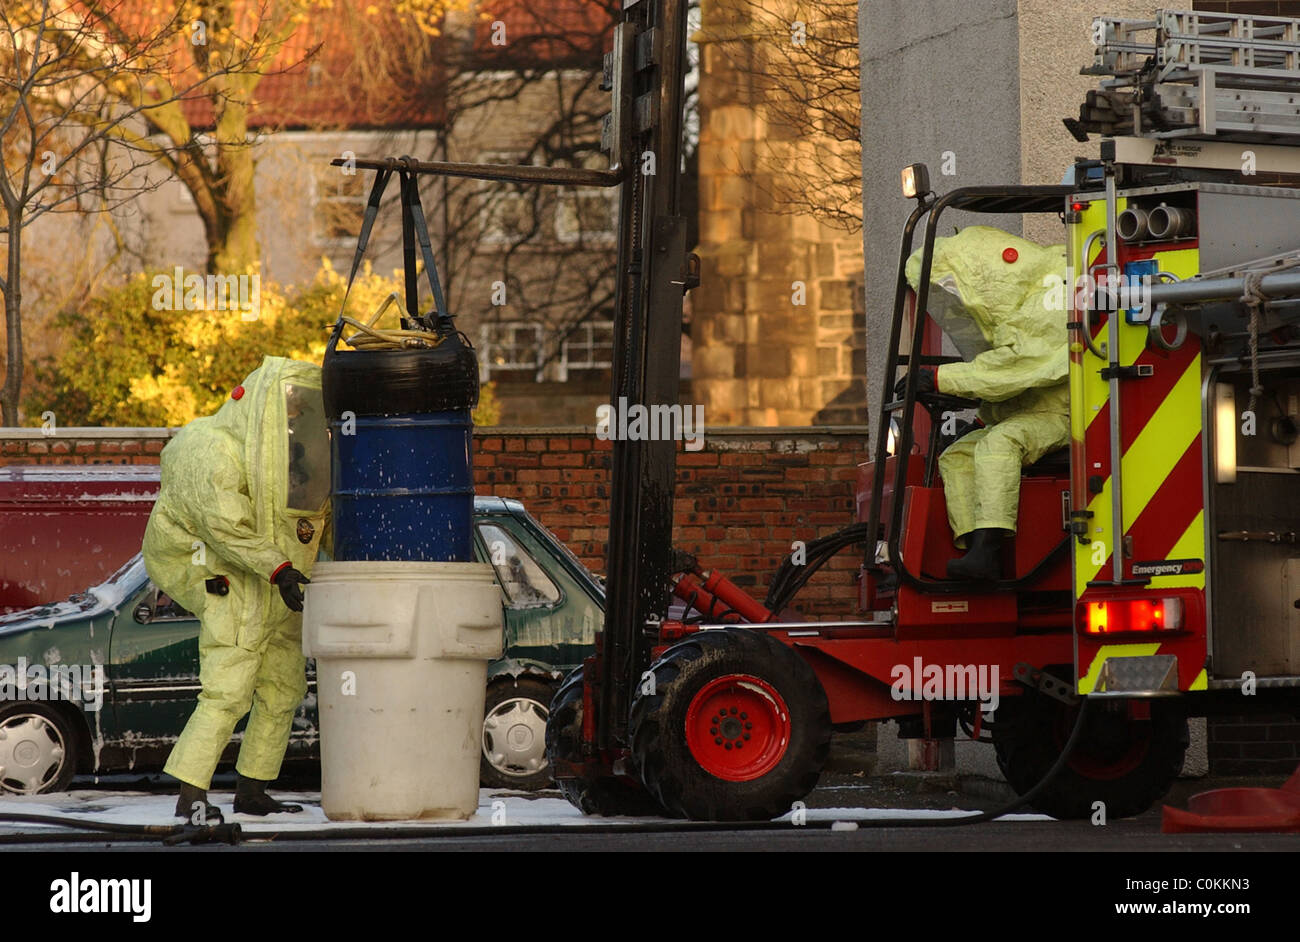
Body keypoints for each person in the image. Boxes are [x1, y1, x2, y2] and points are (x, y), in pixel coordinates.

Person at [143, 356, 331, 821]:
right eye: (290, 412)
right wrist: (280, 567)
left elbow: (295, 519)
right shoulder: (207, 446)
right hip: (223, 571)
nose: (294, 422)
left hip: (271, 577)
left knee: (283, 687)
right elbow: (223, 526)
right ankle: (191, 795)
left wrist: (291, 567)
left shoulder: (281, 454)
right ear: (263, 405)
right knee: (228, 687)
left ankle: (253, 790)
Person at [896, 226, 1069, 581]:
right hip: (1030, 414)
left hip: (1068, 415)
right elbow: (1004, 381)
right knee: (957, 455)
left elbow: (1018, 367)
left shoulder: (1054, 291)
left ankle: (989, 550)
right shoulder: (1020, 305)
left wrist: (940, 379)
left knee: (998, 444)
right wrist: (975, 415)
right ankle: (974, 549)